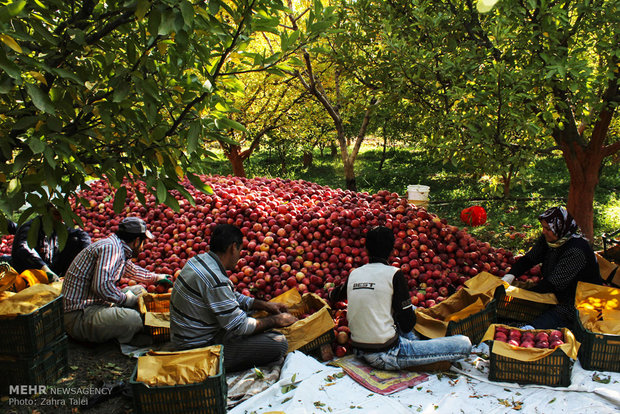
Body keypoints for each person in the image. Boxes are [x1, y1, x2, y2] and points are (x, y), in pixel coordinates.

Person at [330, 226, 472, 371]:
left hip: (359, 349)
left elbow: (334, 295)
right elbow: (407, 324)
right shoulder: (394, 274)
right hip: (386, 354)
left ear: (366, 250)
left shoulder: (355, 274)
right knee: (464, 343)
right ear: (392, 251)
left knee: (405, 309)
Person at [170, 224, 297, 372]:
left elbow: (229, 297)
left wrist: (264, 305)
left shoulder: (199, 260)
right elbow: (240, 326)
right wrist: (276, 320)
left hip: (190, 335)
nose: (239, 256)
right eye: (240, 250)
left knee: (254, 316)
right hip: (197, 349)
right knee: (279, 343)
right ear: (233, 247)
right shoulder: (215, 280)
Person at [62, 217, 169, 345]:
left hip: (95, 304)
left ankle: (131, 328)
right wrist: (127, 299)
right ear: (136, 241)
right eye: (143, 242)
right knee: (133, 319)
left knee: (138, 290)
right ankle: (127, 335)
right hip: (79, 316)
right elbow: (101, 287)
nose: (142, 247)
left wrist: (157, 278)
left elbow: (132, 270)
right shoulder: (112, 250)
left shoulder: (115, 247)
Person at [502, 206, 603, 329]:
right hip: (556, 295)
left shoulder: (576, 250)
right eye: (543, 227)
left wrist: (522, 297)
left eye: (548, 228)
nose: (544, 231)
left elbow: (553, 284)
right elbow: (530, 258)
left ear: (560, 228)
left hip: (578, 302)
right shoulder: (551, 239)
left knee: (539, 324)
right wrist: (510, 275)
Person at [11, 205, 91, 281]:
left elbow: (81, 235)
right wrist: (44, 268)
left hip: (53, 271)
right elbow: (24, 248)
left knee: (76, 240)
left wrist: (88, 253)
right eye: (56, 214)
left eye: (63, 215)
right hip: (29, 275)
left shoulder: (58, 226)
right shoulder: (30, 228)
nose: (61, 219)